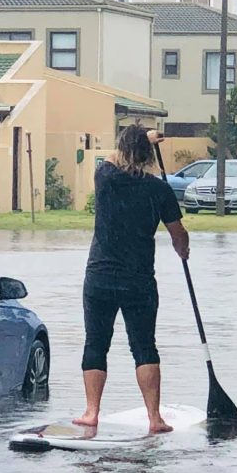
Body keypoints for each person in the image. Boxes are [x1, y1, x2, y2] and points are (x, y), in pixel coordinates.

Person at [74, 124, 189, 434]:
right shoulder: (159, 189)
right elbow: (179, 234)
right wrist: (183, 251)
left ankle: (91, 412)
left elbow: (112, 158)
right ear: (147, 155)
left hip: (99, 278)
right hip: (139, 281)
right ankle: (155, 418)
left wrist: (141, 140)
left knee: (96, 345)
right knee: (144, 347)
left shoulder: (106, 178)